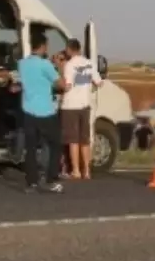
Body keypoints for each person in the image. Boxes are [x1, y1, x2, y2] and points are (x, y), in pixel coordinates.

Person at [17, 34, 67, 193]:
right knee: (55, 145)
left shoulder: (22, 64)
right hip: (46, 111)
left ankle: (31, 183)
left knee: (30, 149)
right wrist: (60, 66)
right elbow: (62, 85)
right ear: (43, 47)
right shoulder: (46, 65)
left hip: (28, 111)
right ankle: (51, 179)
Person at [59, 38, 102, 180]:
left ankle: (76, 170)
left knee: (73, 139)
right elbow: (99, 83)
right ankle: (87, 171)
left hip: (70, 105)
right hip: (85, 105)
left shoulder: (69, 65)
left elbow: (68, 85)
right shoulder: (90, 63)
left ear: (69, 49)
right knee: (84, 140)